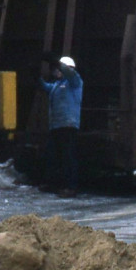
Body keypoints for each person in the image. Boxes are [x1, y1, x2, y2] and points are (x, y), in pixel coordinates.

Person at [39, 53, 83, 197]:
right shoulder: (56, 86)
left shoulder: (74, 82)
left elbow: (69, 73)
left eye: (58, 69)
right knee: (53, 156)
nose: (56, 72)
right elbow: (45, 87)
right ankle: (53, 183)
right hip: (56, 126)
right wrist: (36, 77)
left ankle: (70, 187)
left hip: (68, 126)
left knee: (68, 157)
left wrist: (57, 63)